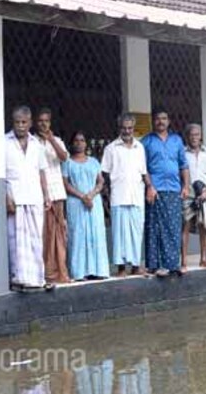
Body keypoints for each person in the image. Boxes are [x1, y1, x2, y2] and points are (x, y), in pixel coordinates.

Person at [5, 105, 53, 292]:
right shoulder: (4, 142)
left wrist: (47, 195)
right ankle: (18, 279)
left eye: (24, 122)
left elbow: (42, 172)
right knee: (15, 241)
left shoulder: (36, 145)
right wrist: (6, 197)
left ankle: (36, 279)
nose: (20, 126)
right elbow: (0, 175)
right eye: (17, 122)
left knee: (35, 240)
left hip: (34, 197)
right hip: (15, 197)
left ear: (30, 123)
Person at [140, 109, 190, 277]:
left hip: (174, 190)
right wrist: (150, 186)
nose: (161, 122)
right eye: (157, 119)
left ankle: (172, 264)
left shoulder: (176, 140)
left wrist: (186, 186)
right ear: (153, 121)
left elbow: (183, 165)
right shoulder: (146, 141)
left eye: (164, 118)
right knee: (155, 227)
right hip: (155, 190)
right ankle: (155, 265)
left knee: (173, 226)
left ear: (168, 121)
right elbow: (143, 168)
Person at [101, 114, 149, 277]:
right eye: (124, 128)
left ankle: (135, 266)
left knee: (136, 232)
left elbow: (144, 172)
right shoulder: (111, 148)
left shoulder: (139, 147)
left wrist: (150, 187)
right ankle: (121, 268)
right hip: (118, 197)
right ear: (119, 128)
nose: (127, 131)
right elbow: (104, 174)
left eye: (130, 128)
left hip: (136, 196)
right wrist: (106, 196)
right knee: (119, 235)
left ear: (133, 129)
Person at [61, 131, 110, 280]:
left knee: (96, 234)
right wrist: (82, 196)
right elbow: (65, 184)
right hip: (76, 203)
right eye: (76, 140)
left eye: (82, 140)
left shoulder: (94, 161)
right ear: (71, 143)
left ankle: (98, 270)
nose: (79, 143)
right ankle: (79, 272)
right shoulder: (67, 163)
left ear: (86, 143)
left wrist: (91, 194)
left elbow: (100, 181)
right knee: (78, 235)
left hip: (93, 202)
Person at [36, 107, 72, 285]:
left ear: (50, 123)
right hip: (40, 194)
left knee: (59, 233)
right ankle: (47, 273)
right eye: (41, 121)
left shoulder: (57, 140)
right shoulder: (32, 142)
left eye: (46, 121)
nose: (44, 124)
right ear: (36, 123)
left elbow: (64, 157)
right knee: (45, 234)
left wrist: (51, 139)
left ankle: (61, 272)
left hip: (57, 193)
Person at [180, 123, 206, 271]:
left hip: (204, 193)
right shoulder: (182, 152)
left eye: (197, 134)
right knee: (185, 225)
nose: (194, 137)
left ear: (201, 136)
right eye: (191, 135)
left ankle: (203, 259)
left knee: (205, 226)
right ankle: (183, 262)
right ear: (187, 136)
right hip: (188, 193)